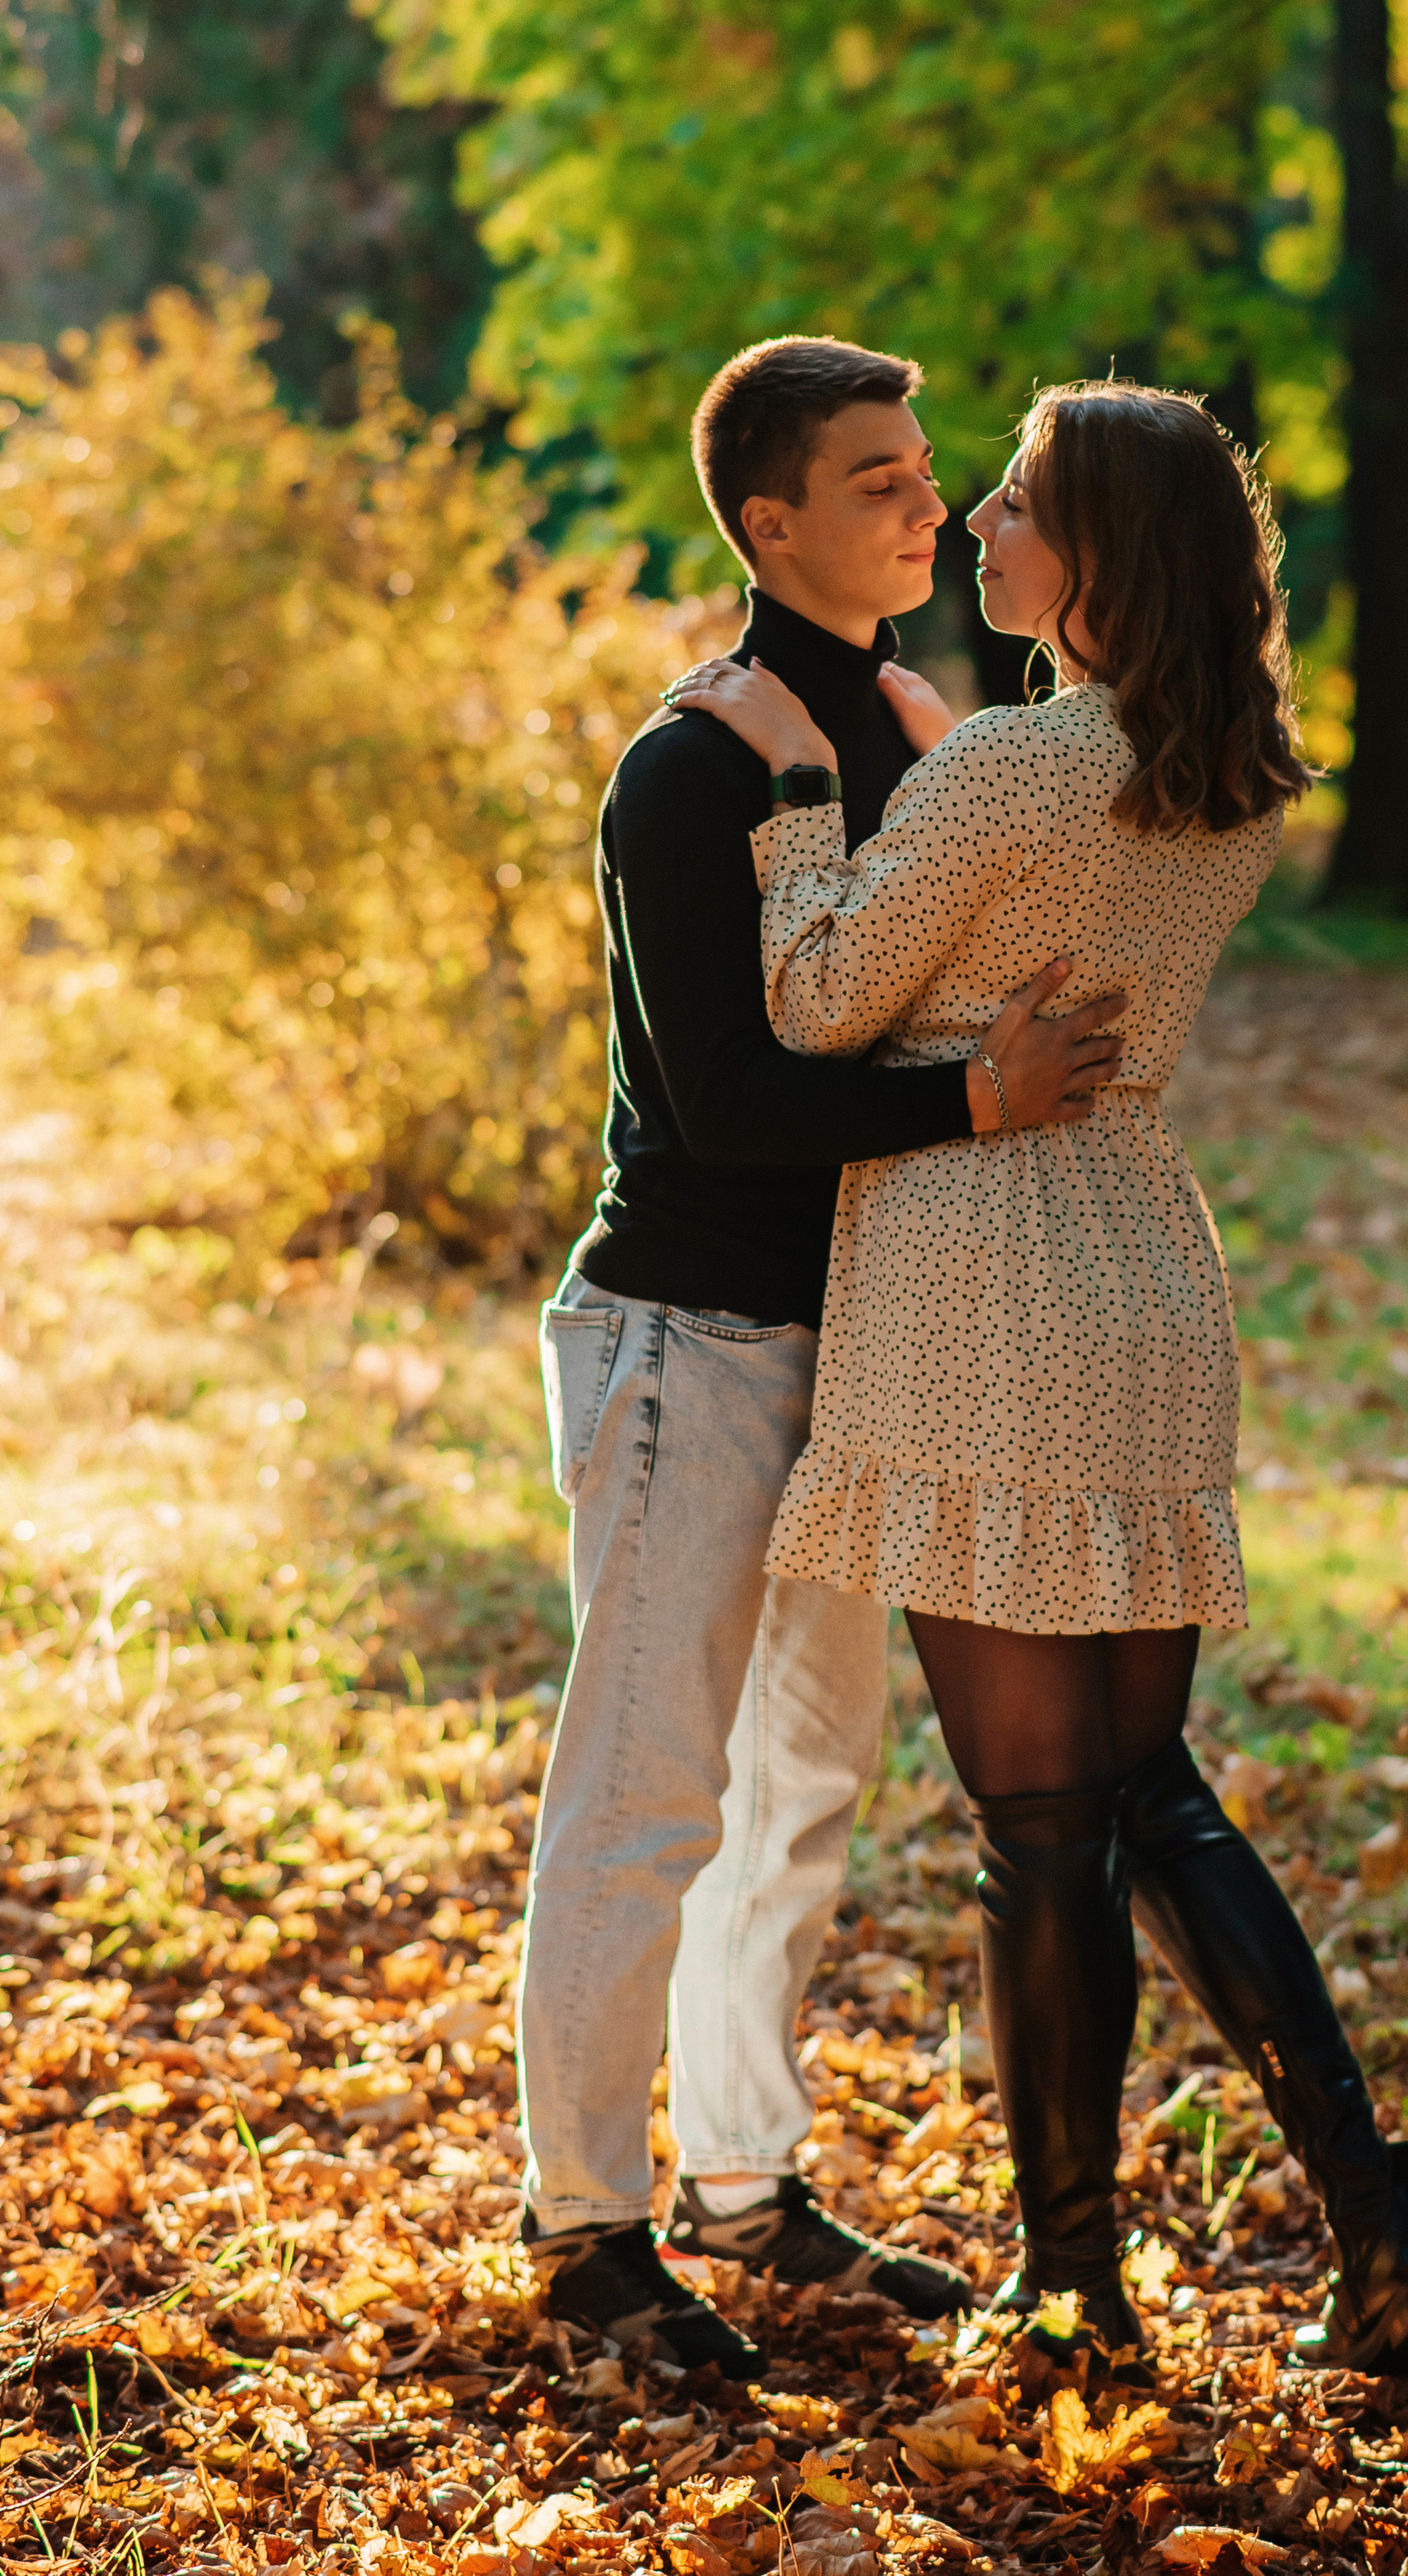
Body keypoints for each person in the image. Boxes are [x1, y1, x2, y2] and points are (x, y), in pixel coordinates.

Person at [664, 382, 1408, 2379]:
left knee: (1041, 1824)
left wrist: (793, 804)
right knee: (1146, 1794)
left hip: (984, 1292)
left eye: (1021, 506)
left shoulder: (1016, 771)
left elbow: (815, 999)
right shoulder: (1229, 779)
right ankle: (1376, 2231)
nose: (977, 530)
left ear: (1106, 554)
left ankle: (1073, 2281)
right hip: (1140, 1277)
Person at [518, 338, 1132, 2381]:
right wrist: (978, 1107)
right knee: (644, 1795)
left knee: (800, 1793)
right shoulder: (690, 764)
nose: (923, 505)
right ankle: (585, 2232)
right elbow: (709, 1107)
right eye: (874, 477)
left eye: (925, 470)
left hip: (855, 1340)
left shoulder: (918, 726)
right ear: (769, 521)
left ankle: (743, 2194)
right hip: (687, 1333)